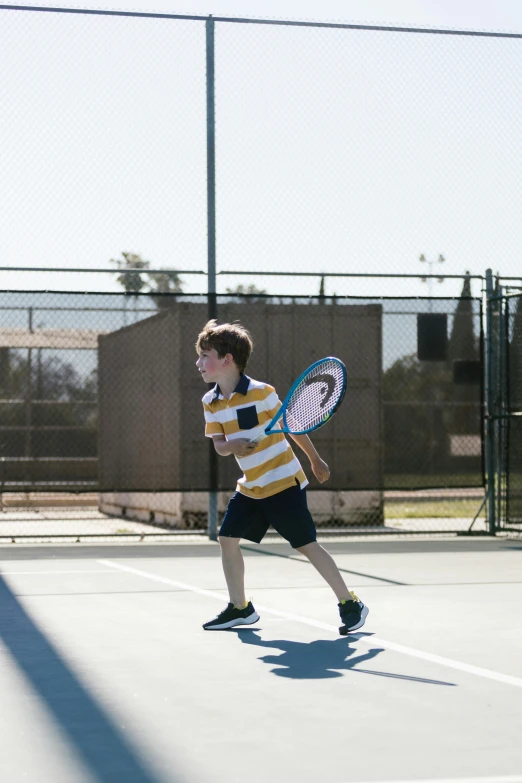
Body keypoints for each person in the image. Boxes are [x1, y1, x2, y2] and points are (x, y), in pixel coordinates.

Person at [196, 319, 368, 633]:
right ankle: (240, 608)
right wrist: (231, 444)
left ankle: (349, 602)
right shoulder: (211, 402)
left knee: (305, 544)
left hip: (283, 482)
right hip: (251, 486)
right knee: (227, 539)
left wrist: (315, 459)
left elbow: (293, 425)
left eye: (204, 356)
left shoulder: (262, 393)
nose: (199, 363)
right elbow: (220, 445)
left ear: (226, 360)